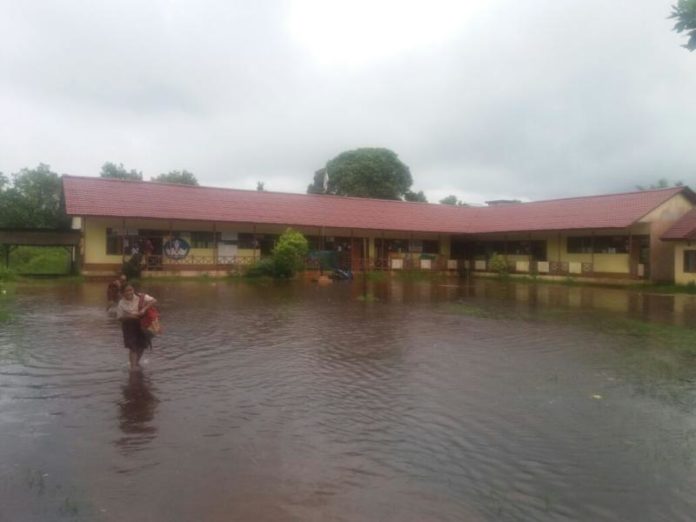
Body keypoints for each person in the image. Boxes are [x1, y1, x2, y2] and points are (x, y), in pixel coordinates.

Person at [116, 284, 157, 371]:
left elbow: (154, 301)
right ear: (122, 293)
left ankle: (136, 363)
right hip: (129, 325)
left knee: (142, 345)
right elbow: (119, 318)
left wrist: (144, 309)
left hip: (142, 324)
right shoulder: (121, 303)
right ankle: (133, 367)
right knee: (133, 347)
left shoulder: (141, 296)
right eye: (126, 291)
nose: (129, 292)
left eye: (131, 290)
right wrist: (131, 316)